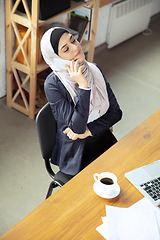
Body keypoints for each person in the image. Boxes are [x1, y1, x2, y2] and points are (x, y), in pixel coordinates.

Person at [40, 27, 122, 180]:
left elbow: (116, 113)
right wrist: (84, 86)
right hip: (77, 156)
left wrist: (89, 130)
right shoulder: (53, 84)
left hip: (104, 141)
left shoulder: (94, 70)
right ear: (56, 59)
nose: (76, 47)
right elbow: (76, 128)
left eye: (73, 40)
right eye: (66, 49)